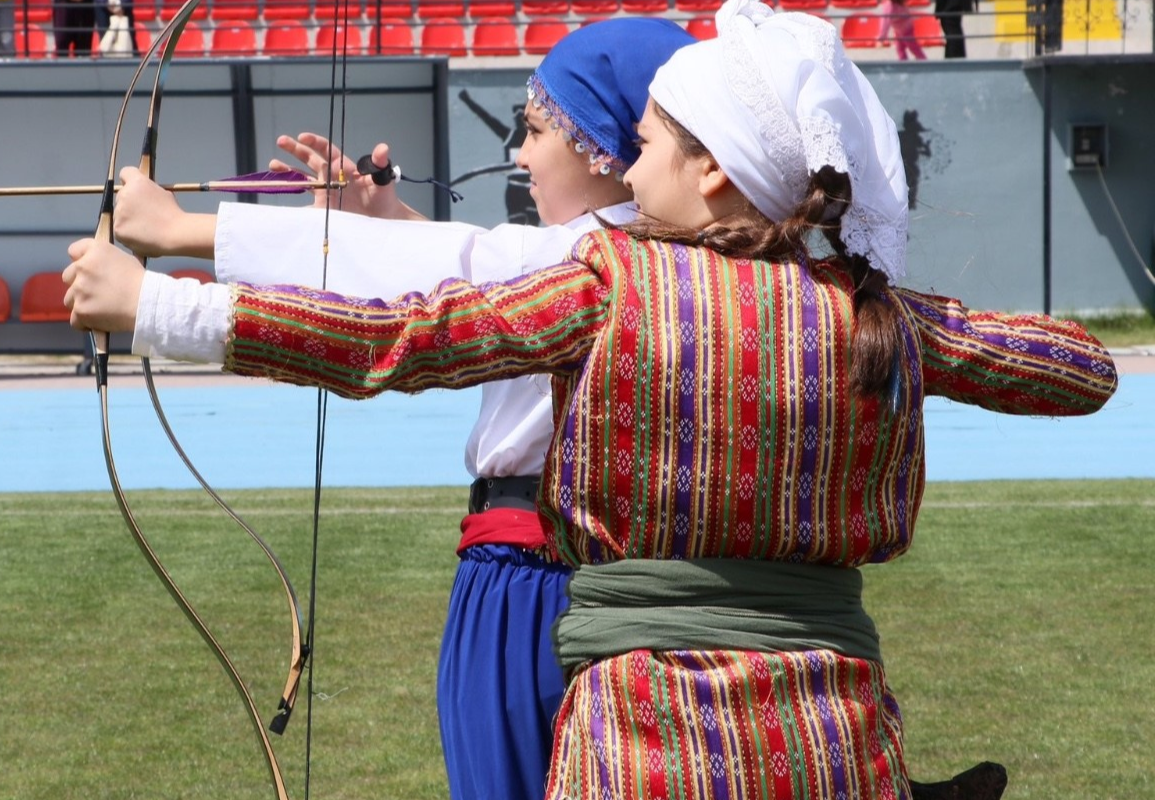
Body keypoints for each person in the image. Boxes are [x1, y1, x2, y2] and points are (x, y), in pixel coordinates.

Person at [63, 1, 1119, 798]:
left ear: (709, 174)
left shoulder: (611, 278)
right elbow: (1083, 371)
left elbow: (396, 339)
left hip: (641, 741)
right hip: (829, 742)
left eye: (649, 144)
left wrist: (164, 310)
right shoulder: (869, 310)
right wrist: (895, 309)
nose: (628, 164)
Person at [110, 19, 698, 800]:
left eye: (533, 131)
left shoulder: (588, 261)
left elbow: (458, 280)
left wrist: (175, 234)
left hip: (533, 579)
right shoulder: (684, 256)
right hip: (642, 584)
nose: (520, 155)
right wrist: (374, 220)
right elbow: (479, 277)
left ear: (600, 148)